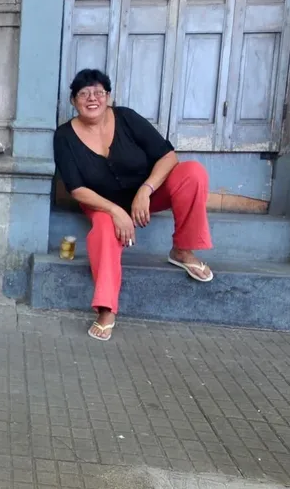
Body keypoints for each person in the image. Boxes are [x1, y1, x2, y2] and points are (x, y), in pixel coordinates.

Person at [53, 69, 214, 342]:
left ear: (108, 97)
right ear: (73, 101)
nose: (92, 98)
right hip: (101, 203)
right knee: (104, 230)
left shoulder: (126, 118)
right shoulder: (64, 136)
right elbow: (76, 189)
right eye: (84, 94)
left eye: (98, 92)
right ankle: (106, 309)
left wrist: (146, 190)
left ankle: (182, 251)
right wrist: (116, 211)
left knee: (193, 173)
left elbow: (168, 156)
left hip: (145, 198)